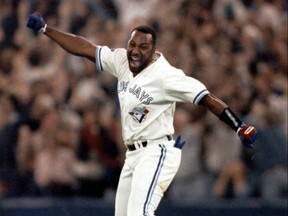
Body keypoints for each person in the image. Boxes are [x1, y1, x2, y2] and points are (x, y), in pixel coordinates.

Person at [26, 12, 257, 216]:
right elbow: (85, 48)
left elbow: (207, 98)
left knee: (140, 212)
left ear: (153, 50)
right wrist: (47, 30)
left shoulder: (166, 75)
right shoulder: (121, 62)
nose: (135, 51)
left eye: (142, 47)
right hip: (133, 155)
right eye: (132, 45)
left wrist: (238, 126)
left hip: (157, 151)